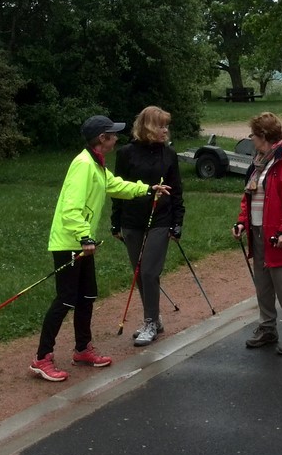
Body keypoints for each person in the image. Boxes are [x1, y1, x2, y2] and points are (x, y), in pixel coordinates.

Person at [30, 115, 169, 382]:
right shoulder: (83, 165)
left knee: (87, 296)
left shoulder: (96, 164)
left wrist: (148, 190)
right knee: (65, 299)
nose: (117, 137)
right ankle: (41, 357)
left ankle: (82, 349)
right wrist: (84, 236)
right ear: (101, 139)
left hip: (81, 243)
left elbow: (115, 185)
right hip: (69, 243)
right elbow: (70, 209)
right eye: (112, 134)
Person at [233, 112, 282, 355]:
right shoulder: (260, 159)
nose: (251, 140)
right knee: (263, 284)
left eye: (253, 135)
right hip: (259, 230)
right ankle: (267, 327)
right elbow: (250, 194)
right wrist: (242, 222)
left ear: (264, 136)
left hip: (277, 235)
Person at [111, 106, 185, 347]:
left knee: (150, 272)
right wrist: (115, 222)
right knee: (139, 272)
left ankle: (150, 322)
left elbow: (176, 190)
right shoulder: (126, 154)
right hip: (132, 220)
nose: (165, 130)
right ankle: (154, 318)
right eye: (161, 125)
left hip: (160, 219)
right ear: (148, 128)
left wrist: (178, 222)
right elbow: (117, 188)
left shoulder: (169, 154)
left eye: (166, 126)